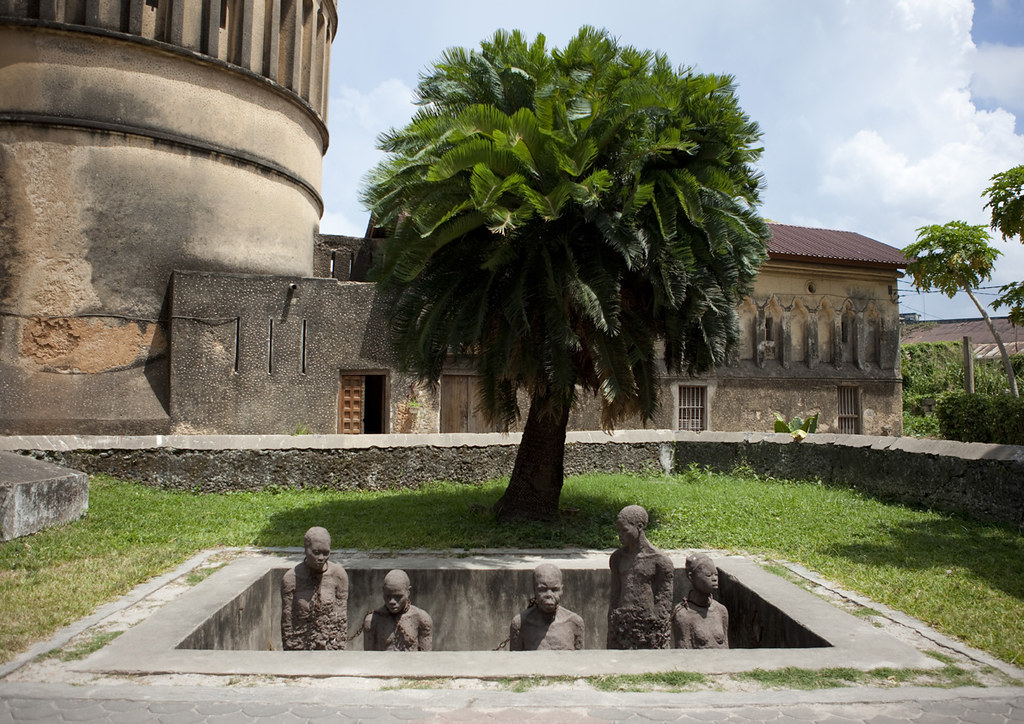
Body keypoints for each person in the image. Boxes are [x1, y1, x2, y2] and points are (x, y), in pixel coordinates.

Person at [607, 505, 674, 649]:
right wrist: (613, 625)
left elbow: (664, 601)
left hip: (648, 625)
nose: (620, 535)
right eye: (618, 530)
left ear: (640, 527)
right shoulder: (617, 558)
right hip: (622, 623)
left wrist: (656, 629)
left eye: (624, 530)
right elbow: (614, 595)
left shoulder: (660, 561)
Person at [280, 526, 348, 650]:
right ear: (306, 550)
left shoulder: (339, 576)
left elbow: (341, 619)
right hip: (300, 645)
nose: (321, 558)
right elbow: (287, 622)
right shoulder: (291, 579)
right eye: (316, 553)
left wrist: (337, 648)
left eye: (326, 553)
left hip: (330, 646)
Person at [509, 563, 585, 651]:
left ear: (561, 590)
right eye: (542, 590)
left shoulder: (574, 623)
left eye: (554, 590)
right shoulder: (520, 623)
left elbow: (579, 661)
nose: (549, 595)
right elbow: (515, 660)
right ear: (534, 590)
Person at [363, 569, 433, 651]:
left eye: (398, 596)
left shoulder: (422, 619)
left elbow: (426, 656)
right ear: (383, 591)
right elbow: (369, 657)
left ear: (408, 592)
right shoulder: (372, 621)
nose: (392, 601)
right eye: (388, 596)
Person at [672, 552, 729, 649]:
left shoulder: (721, 610)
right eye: (708, 575)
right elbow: (683, 653)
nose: (714, 579)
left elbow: (726, 646)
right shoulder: (683, 615)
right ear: (691, 577)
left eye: (716, 574)